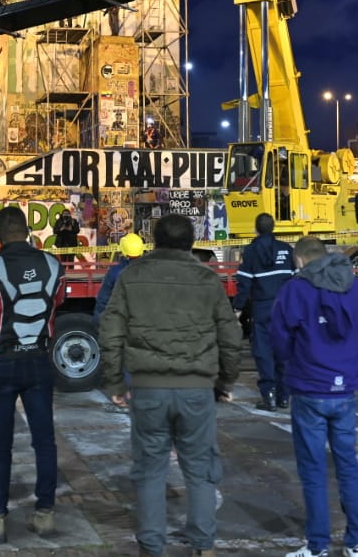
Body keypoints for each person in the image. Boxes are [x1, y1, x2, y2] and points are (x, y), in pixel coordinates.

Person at [98, 213, 241, 557]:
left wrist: (116, 382)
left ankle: (152, 546)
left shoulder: (132, 276)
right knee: (200, 469)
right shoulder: (206, 279)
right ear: (191, 243)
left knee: (149, 470)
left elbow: (110, 330)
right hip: (196, 389)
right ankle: (203, 546)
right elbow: (230, 336)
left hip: (147, 388)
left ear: (154, 240)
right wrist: (223, 381)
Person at [0, 205, 66, 544]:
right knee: (44, 440)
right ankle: (45, 514)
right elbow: (57, 302)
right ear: (28, 230)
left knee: (0, 445)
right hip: (38, 360)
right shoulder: (53, 265)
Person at [272, 237, 358, 557]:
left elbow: (278, 336)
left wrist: (293, 363)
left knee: (313, 469)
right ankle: (357, 542)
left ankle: (317, 544)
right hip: (345, 386)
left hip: (309, 387)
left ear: (301, 260)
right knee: (348, 464)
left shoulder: (296, 289)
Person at [234, 212, 294, 410]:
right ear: (274, 227)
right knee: (284, 350)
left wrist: (238, 309)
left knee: (263, 352)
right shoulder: (286, 249)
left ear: (256, 229)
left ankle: (268, 395)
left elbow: (244, 283)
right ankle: (284, 396)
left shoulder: (250, 251)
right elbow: (296, 282)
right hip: (285, 309)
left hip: (262, 309)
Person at [93, 232, 145, 323]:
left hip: (121, 324)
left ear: (123, 250)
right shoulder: (150, 270)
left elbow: (103, 300)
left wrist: (100, 324)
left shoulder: (115, 271)